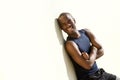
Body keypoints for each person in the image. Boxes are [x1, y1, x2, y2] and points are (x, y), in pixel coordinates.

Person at [57, 12, 120, 80]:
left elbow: (102, 50)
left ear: (74, 20)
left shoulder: (86, 32)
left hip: (99, 73)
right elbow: (88, 65)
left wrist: (90, 58)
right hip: (89, 78)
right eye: (64, 24)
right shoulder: (70, 44)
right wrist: (94, 49)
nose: (68, 25)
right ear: (62, 28)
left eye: (69, 21)